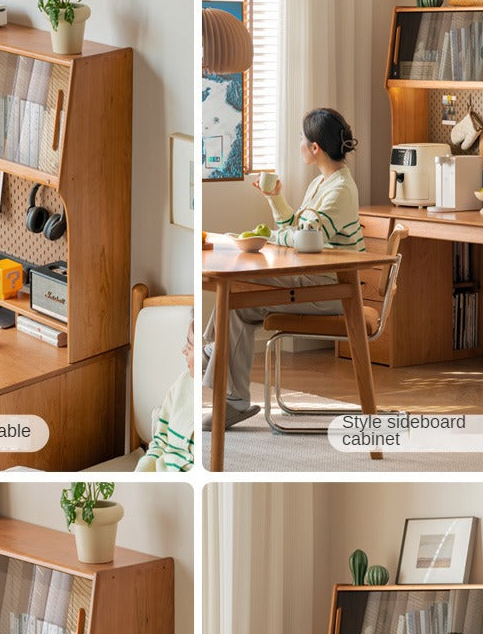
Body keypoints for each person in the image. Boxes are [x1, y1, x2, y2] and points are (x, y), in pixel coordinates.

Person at [202, 107, 366, 429]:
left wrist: (276, 235)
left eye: (302, 140)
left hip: (334, 289)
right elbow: (298, 226)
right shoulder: (322, 183)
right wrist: (274, 198)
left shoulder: (339, 190)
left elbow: (307, 241)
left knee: (236, 294)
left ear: (315, 147)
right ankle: (222, 373)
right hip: (316, 280)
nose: (299, 144)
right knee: (235, 298)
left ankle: (211, 353)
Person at [135, 315, 194, 472]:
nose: (183, 350)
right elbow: (160, 440)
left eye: (190, 347)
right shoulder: (181, 384)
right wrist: (142, 469)